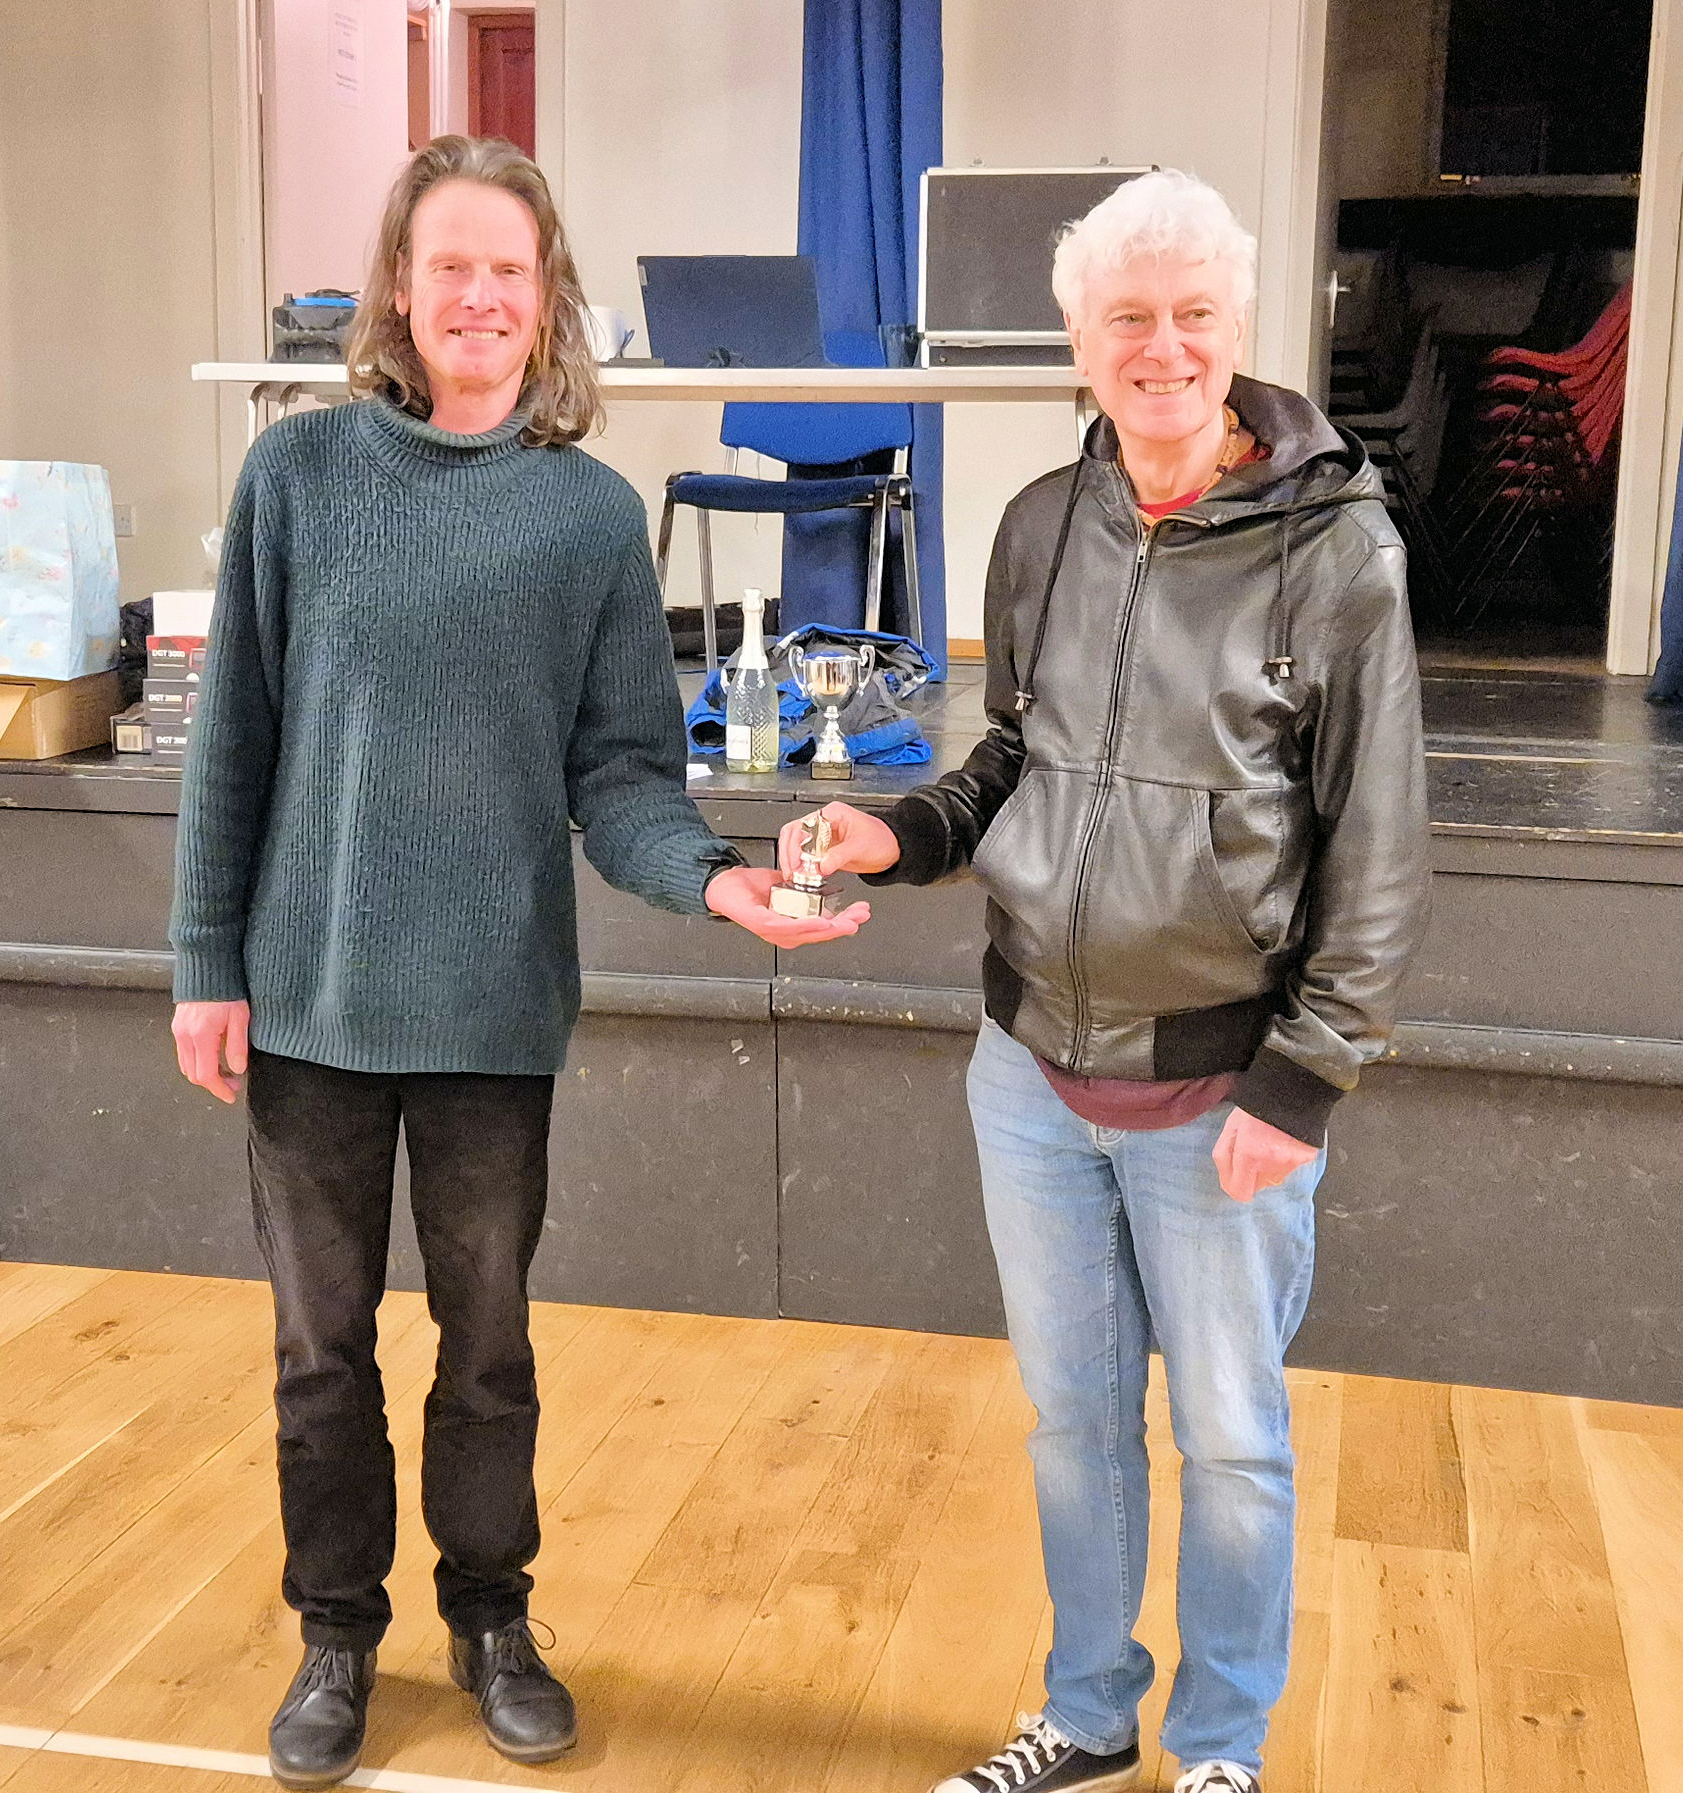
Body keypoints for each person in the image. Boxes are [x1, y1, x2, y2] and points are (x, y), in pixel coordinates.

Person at [169, 135, 866, 1792]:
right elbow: (232, 751)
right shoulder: (297, 480)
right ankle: (337, 1633)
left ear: (545, 295)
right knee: (319, 1353)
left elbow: (620, 774)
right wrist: (208, 962)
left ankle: (491, 1616)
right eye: (449, 263)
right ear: (398, 291)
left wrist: (713, 883)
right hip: (310, 1007)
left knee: (486, 1346)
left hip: (491, 1016)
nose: (479, 294)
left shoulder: (586, 517)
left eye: (509, 266)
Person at [782, 170, 1429, 1793]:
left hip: (1220, 1088)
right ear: (1077, 340)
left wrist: (1306, 1076)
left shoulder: (1339, 552)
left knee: (1230, 1446)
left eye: (1191, 315)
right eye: (1125, 318)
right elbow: (1011, 761)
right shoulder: (1040, 524)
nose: (1161, 348)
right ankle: (1084, 1713)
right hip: (1029, 1074)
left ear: (1238, 329)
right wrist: (898, 831)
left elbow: (1378, 843)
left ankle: (1216, 1751)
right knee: (1073, 1430)